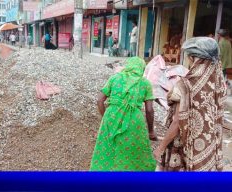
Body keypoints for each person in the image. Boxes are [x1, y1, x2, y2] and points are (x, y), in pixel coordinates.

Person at [153, 37, 226, 171]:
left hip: (185, 146)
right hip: (209, 144)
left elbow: (177, 123)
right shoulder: (219, 82)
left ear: (194, 58)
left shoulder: (185, 85)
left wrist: (161, 147)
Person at [90, 57, 157, 171]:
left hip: (111, 115)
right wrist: (151, 131)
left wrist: (106, 117)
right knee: (134, 150)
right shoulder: (145, 83)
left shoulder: (115, 78)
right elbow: (149, 110)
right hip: (134, 120)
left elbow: (99, 100)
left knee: (107, 148)